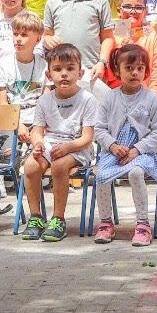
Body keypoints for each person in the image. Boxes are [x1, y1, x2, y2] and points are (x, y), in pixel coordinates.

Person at [20, 45, 99, 242]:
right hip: (51, 143)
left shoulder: (87, 99)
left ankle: (58, 219)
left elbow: (87, 137)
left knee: (60, 165)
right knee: (30, 165)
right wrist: (37, 143)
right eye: (57, 69)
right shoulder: (45, 100)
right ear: (49, 74)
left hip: (78, 147)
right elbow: (37, 131)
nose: (64, 74)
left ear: (80, 73)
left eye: (70, 69)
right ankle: (36, 217)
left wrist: (68, 147)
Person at [91, 44, 157, 246]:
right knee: (100, 175)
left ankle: (143, 224)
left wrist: (136, 150)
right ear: (117, 70)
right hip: (114, 152)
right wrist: (113, 146)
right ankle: (106, 223)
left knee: (135, 173)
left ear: (146, 72)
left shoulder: (152, 99)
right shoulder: (109, 97)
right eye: (129, 68)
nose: (135, 73)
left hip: (143, 153)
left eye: (140, 68)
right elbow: (99, 129)